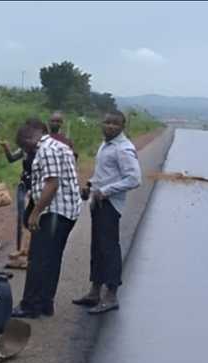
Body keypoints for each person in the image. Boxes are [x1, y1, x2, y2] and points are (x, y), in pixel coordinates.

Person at [72, 110, 142, 314]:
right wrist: (91, 185)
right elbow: (105, 173)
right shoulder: (106, 144)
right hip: (98, 201)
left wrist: (105, 191)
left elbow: (134, 179)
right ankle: (95, 291)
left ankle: (111, 295)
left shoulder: (123, 148)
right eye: (107, 122)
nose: (110, 126)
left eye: (115, 124)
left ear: (123, 126)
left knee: (109, 249)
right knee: (97, 247)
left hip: (110, 205)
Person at [11, 122, 82, 318]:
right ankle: (45, 302)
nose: (27, 151)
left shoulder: (46, 150)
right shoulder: (60, 146)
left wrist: (35, 213)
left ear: (28, 140)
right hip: (67, 211)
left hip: (54, 213)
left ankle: (30, 305)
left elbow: (52, 184)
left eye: (25, 147)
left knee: (38, 259)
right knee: (52, 259)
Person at [1, 118, 48, 261]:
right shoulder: (26, 148)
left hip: (35, 187)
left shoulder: (43, 149)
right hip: (23, 185)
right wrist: (6, 147)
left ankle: (29, 250)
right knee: (22, 219)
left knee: (32, 218)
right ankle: (22, 249)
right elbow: (11, 158)